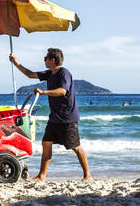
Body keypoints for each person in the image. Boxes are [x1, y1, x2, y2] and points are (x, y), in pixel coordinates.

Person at [9, 48, 93, 182]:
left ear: (53, 60)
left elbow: (62, 91)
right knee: (46, 143)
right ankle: (42, 176)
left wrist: (43, 92)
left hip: (67, 117)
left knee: (75, 146)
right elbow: (30, 74)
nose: (44, 60)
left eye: (46, 58)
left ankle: (87, 175)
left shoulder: (63, 73)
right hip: (54, 117)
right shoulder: (49, 73)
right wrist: (16, 62)